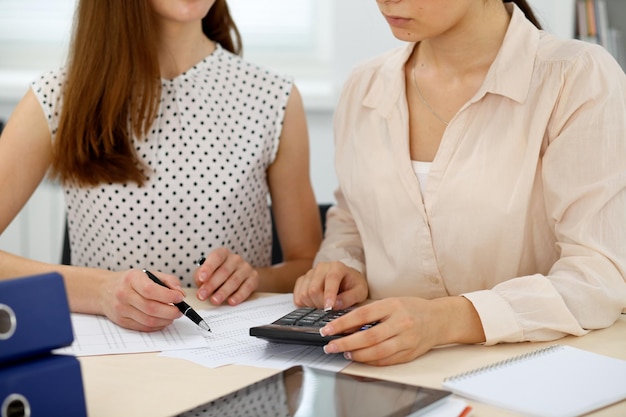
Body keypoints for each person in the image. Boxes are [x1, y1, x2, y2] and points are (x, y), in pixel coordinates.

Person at [293, 0, 626, 366]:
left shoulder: (576, 77)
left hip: (531, 370)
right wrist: (342, 267)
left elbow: (598, 274)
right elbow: (352, 220)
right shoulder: (364, 83)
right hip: (381, 371)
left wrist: (447, 319)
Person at [0, 0, 322, 332]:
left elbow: (310, 264)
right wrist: (98, 291)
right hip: (115, 363)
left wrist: (256, 277)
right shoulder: (58, 97)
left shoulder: (272, 98)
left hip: (234, 356)